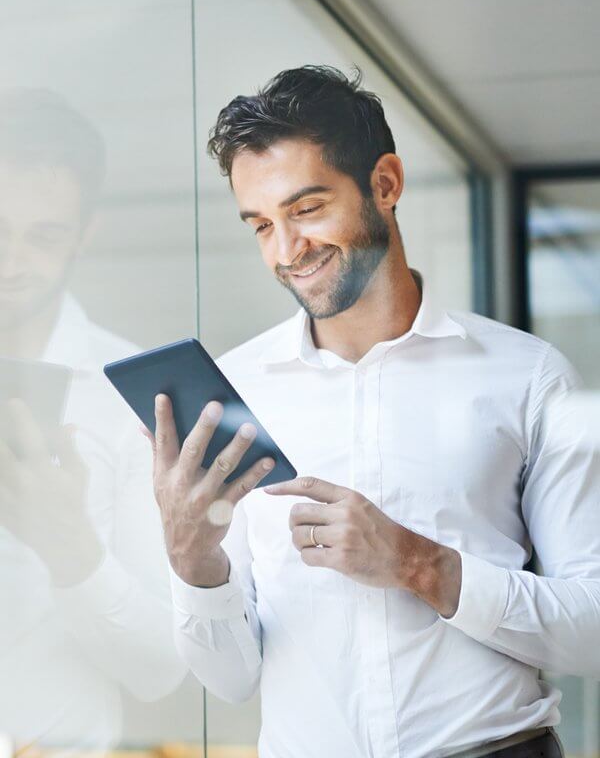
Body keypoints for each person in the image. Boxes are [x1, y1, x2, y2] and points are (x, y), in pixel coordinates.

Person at [142, 66, 600, 758]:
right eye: (262, 225)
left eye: (306, 210)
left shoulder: (529, 379)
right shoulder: (233, 393)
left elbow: (591, 631)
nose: (286, 252)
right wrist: (190, 555)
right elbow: (231, 679)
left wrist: (420, 564)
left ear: (385, 184)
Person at [0, 88, 185, 752]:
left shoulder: (137, 395)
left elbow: (162, 669)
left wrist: (69, 547)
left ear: (85, 234)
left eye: (43, 236)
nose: (12, 262)